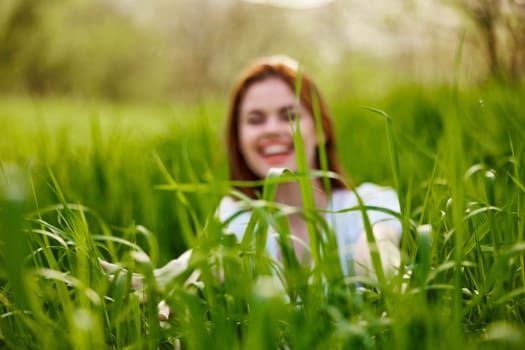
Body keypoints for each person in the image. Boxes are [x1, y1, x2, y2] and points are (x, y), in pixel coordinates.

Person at [101, 55, 402, 320]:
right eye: (255, 120)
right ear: (239, 138)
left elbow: (378, 245)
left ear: (321, 129)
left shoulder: (370, 205)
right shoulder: (236, 217)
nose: (271, 129)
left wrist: (381, 269)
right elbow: (208, 262)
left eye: (290, 116)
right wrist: (166, 285)